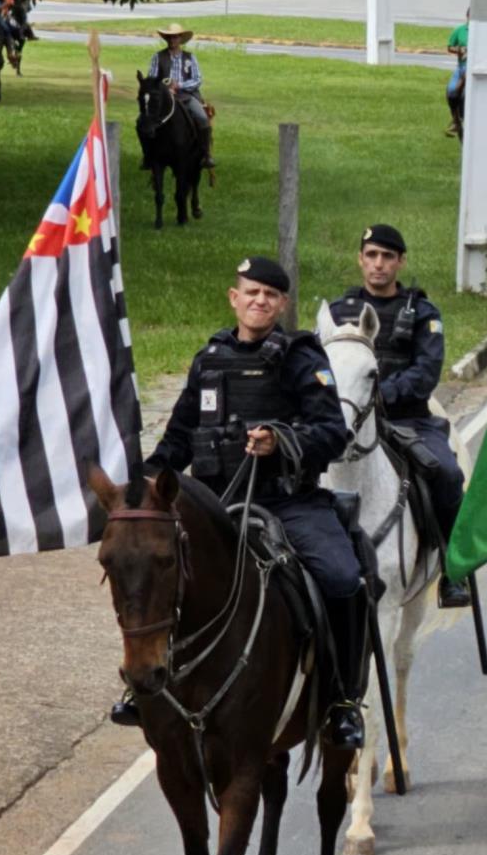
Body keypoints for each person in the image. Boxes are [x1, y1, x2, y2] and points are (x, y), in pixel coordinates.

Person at [137, 256, 368, 750]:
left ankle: (343, 701)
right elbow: (178, 437)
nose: (260, 300)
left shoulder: (302, 357)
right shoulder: (209, 359)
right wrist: (144, 482)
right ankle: (144, 689)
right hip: (216, 505)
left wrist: (281, 440)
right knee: (145, 570)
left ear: (282, 304)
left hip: (288, 505)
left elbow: (332, 432)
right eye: (251, 292)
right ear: (233, 298)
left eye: (270, 294)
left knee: (343, 579)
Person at [326, 224, 478, 606]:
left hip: (408, 420)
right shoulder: (337, 312)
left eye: (387, 257)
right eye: (372, 255)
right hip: (349, 419)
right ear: (360, 259)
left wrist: (378, 399)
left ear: (400, 261)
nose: (379, 264)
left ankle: (453, 569)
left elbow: (425, 374)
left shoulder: (423, 313)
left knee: (446, 473)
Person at [146, 24, 215, 169]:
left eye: (175, 36)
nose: (172, 39)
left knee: (202, 118)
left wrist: (179, 86)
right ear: (166, 38)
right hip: (164, 97)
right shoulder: (158, 57)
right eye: (170, 37)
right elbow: (152, 79)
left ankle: (206, 154)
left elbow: (197, 79)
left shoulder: (190, 58)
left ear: (181, 39)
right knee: (146, 119)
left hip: (187, 96)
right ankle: (148, 155)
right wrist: (164, 88)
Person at [445, 14, 469, 134]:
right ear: (467, 16)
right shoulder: (460, 30)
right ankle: (455, 120)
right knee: (451, 91)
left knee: (464, 95)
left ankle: (464, 118)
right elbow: (449, 47)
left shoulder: (482, 32)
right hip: (461, 67)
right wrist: (459, 50)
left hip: (473, 69)